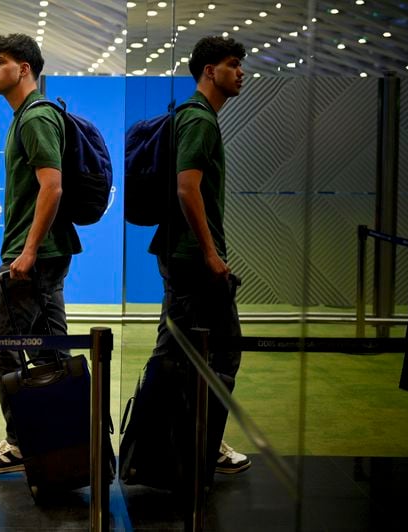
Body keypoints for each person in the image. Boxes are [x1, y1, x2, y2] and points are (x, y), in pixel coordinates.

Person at [0, 33, 81, 474]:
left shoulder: (35, 117)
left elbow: (51, 187)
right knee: (52, 356)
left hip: (32, 257)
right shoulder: (26, 117)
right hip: (45, 255)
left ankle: (22, 443)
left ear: (25, 69)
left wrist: (28, 251)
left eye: (0, 62)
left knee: (0, 348)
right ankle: (68, 445)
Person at [148, 36, 250, 477]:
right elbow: (186, 188)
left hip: (183, 255)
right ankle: (196, 445)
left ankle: (165, 446)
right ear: (210, 71)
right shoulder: (200, 120)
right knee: (222, 352)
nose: (240, 72)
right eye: (232, 64)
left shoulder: (194, 117)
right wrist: (211, 254)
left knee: (177, 350)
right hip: (193, 259)